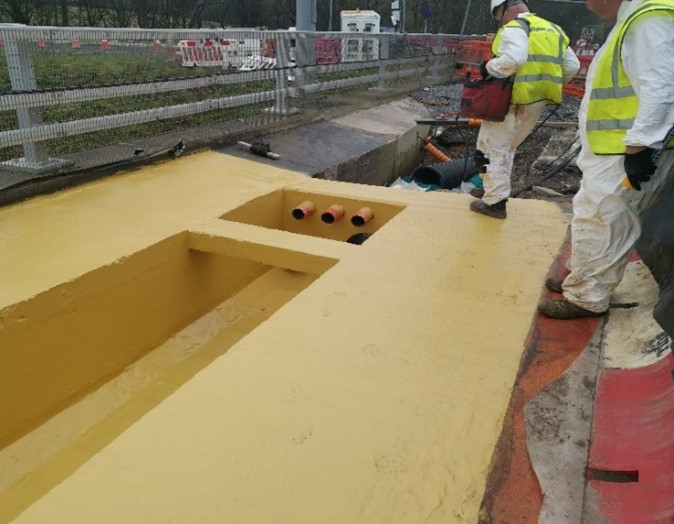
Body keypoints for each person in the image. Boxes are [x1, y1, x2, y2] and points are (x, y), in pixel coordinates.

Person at [538, 0, 674, 319]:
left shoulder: (648, 19)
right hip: (614, 146)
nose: (586, 4)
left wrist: (640, 148)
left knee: (604, 218)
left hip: (623, 149)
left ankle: (587, 296)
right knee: (600, 215)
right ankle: (585, 278)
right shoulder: (635, 19)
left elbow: (661, 89)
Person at [469, 0, 580, 219]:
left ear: (504, 9)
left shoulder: (514, 28)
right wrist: (547, 84)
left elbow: (513, 60)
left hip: (510, 100)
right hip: (536, 101)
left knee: (491, 149)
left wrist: (487, 67)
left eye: (497, 16)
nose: (499, 22)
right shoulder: (553, 29)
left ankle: (494, 203)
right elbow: (572, 66)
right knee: (508, 148)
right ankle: (494, 190)